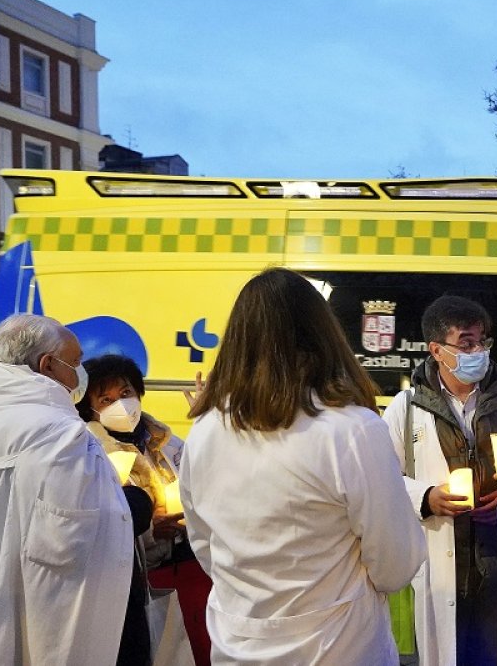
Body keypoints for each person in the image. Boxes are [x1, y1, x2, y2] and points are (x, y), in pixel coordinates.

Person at [181, 268, 425, 665]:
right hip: (339, 643)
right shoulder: (351, 431)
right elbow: (395, 564)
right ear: (322, 335)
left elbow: (206, 547)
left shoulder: (205, 431)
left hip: (238, 642)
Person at [0, 313, 133, 664]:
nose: (79, 373)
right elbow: (73, 539)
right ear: (47, 365)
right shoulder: (57, 434)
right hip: (36, 614)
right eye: (75, 362)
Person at [382, 295, 497, 666]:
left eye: (483, 342)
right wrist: (426, 497)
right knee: (444, 654)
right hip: (439, 558)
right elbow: (384, 479)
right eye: (466, 343)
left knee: (494, 654)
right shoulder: (404, 408)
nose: (478, 352)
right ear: (436, 350)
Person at [76, 354, 213, 666]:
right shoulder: (91, 450)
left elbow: (202, 475)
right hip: (138, 580)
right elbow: (102, 519)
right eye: (106, 398)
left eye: (125, 393)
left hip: (185, 564)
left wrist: (206, 423)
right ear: (90, 408)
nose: (120, 404)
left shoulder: (162, 438)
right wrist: (151, 530)